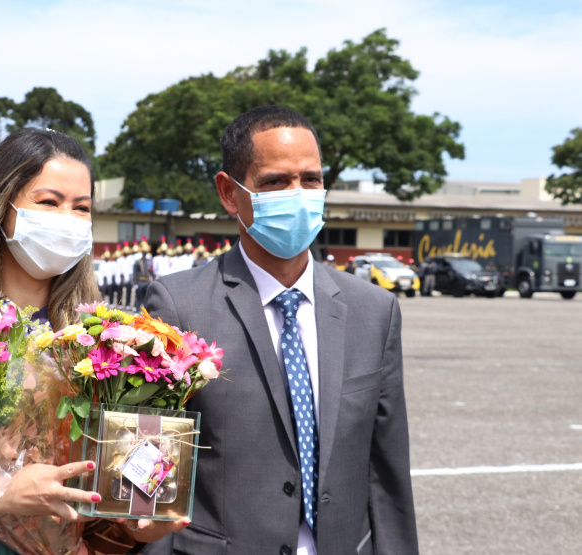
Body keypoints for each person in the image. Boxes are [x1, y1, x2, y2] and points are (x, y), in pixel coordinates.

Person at [0, 128, 184, 554]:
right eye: (48, 202)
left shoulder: (106, 346)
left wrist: (141, 521)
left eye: (82, 208)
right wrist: (0, 492)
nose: (67, 218)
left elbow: (113, 501)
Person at [144, 106, 418, 555]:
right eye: (275, 182)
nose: (298, 195)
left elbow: (386, 472)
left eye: (310, 179)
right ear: (229, 193)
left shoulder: (374, 310)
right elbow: (153, 476)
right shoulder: (178, 306)